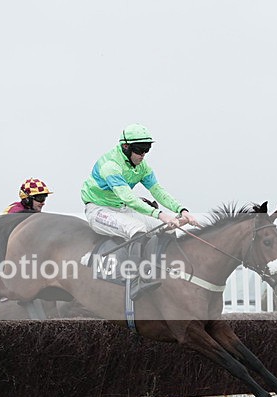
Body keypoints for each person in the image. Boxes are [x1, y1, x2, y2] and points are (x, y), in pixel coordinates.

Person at [81, 123, 199, 299]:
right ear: (126, 147)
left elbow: (158, 191)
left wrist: (182, 210)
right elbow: (128, 197)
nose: (143, 154)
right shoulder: (111, 166)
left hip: (121, 208)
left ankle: (165, 270)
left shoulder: (142, 166)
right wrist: (161, 214)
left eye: (147, 149)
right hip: (98, 209)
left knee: (168, 227)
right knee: (137, 229)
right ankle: (136, 282)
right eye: (140, 149)